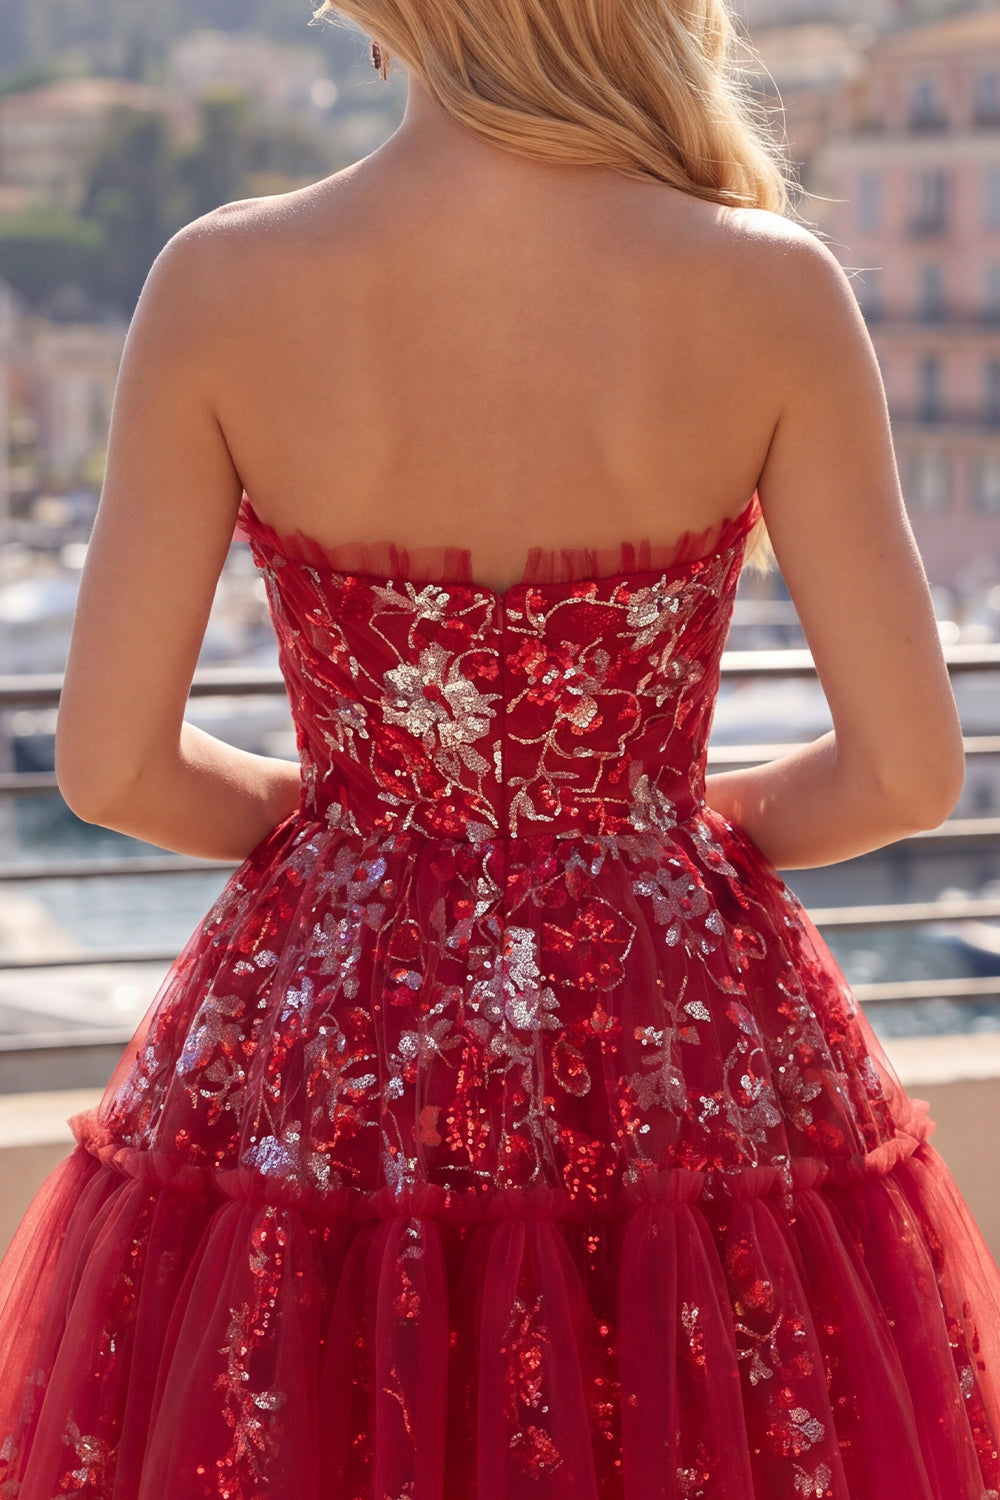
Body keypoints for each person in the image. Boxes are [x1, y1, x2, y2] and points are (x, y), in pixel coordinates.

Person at [2, 0, 999, 1494]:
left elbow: (111, 772)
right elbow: (910, 774)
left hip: (337, 1048)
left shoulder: (221, 283)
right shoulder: (770, 288)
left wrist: (344, 823)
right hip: (677, 1038)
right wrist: (659, 838)